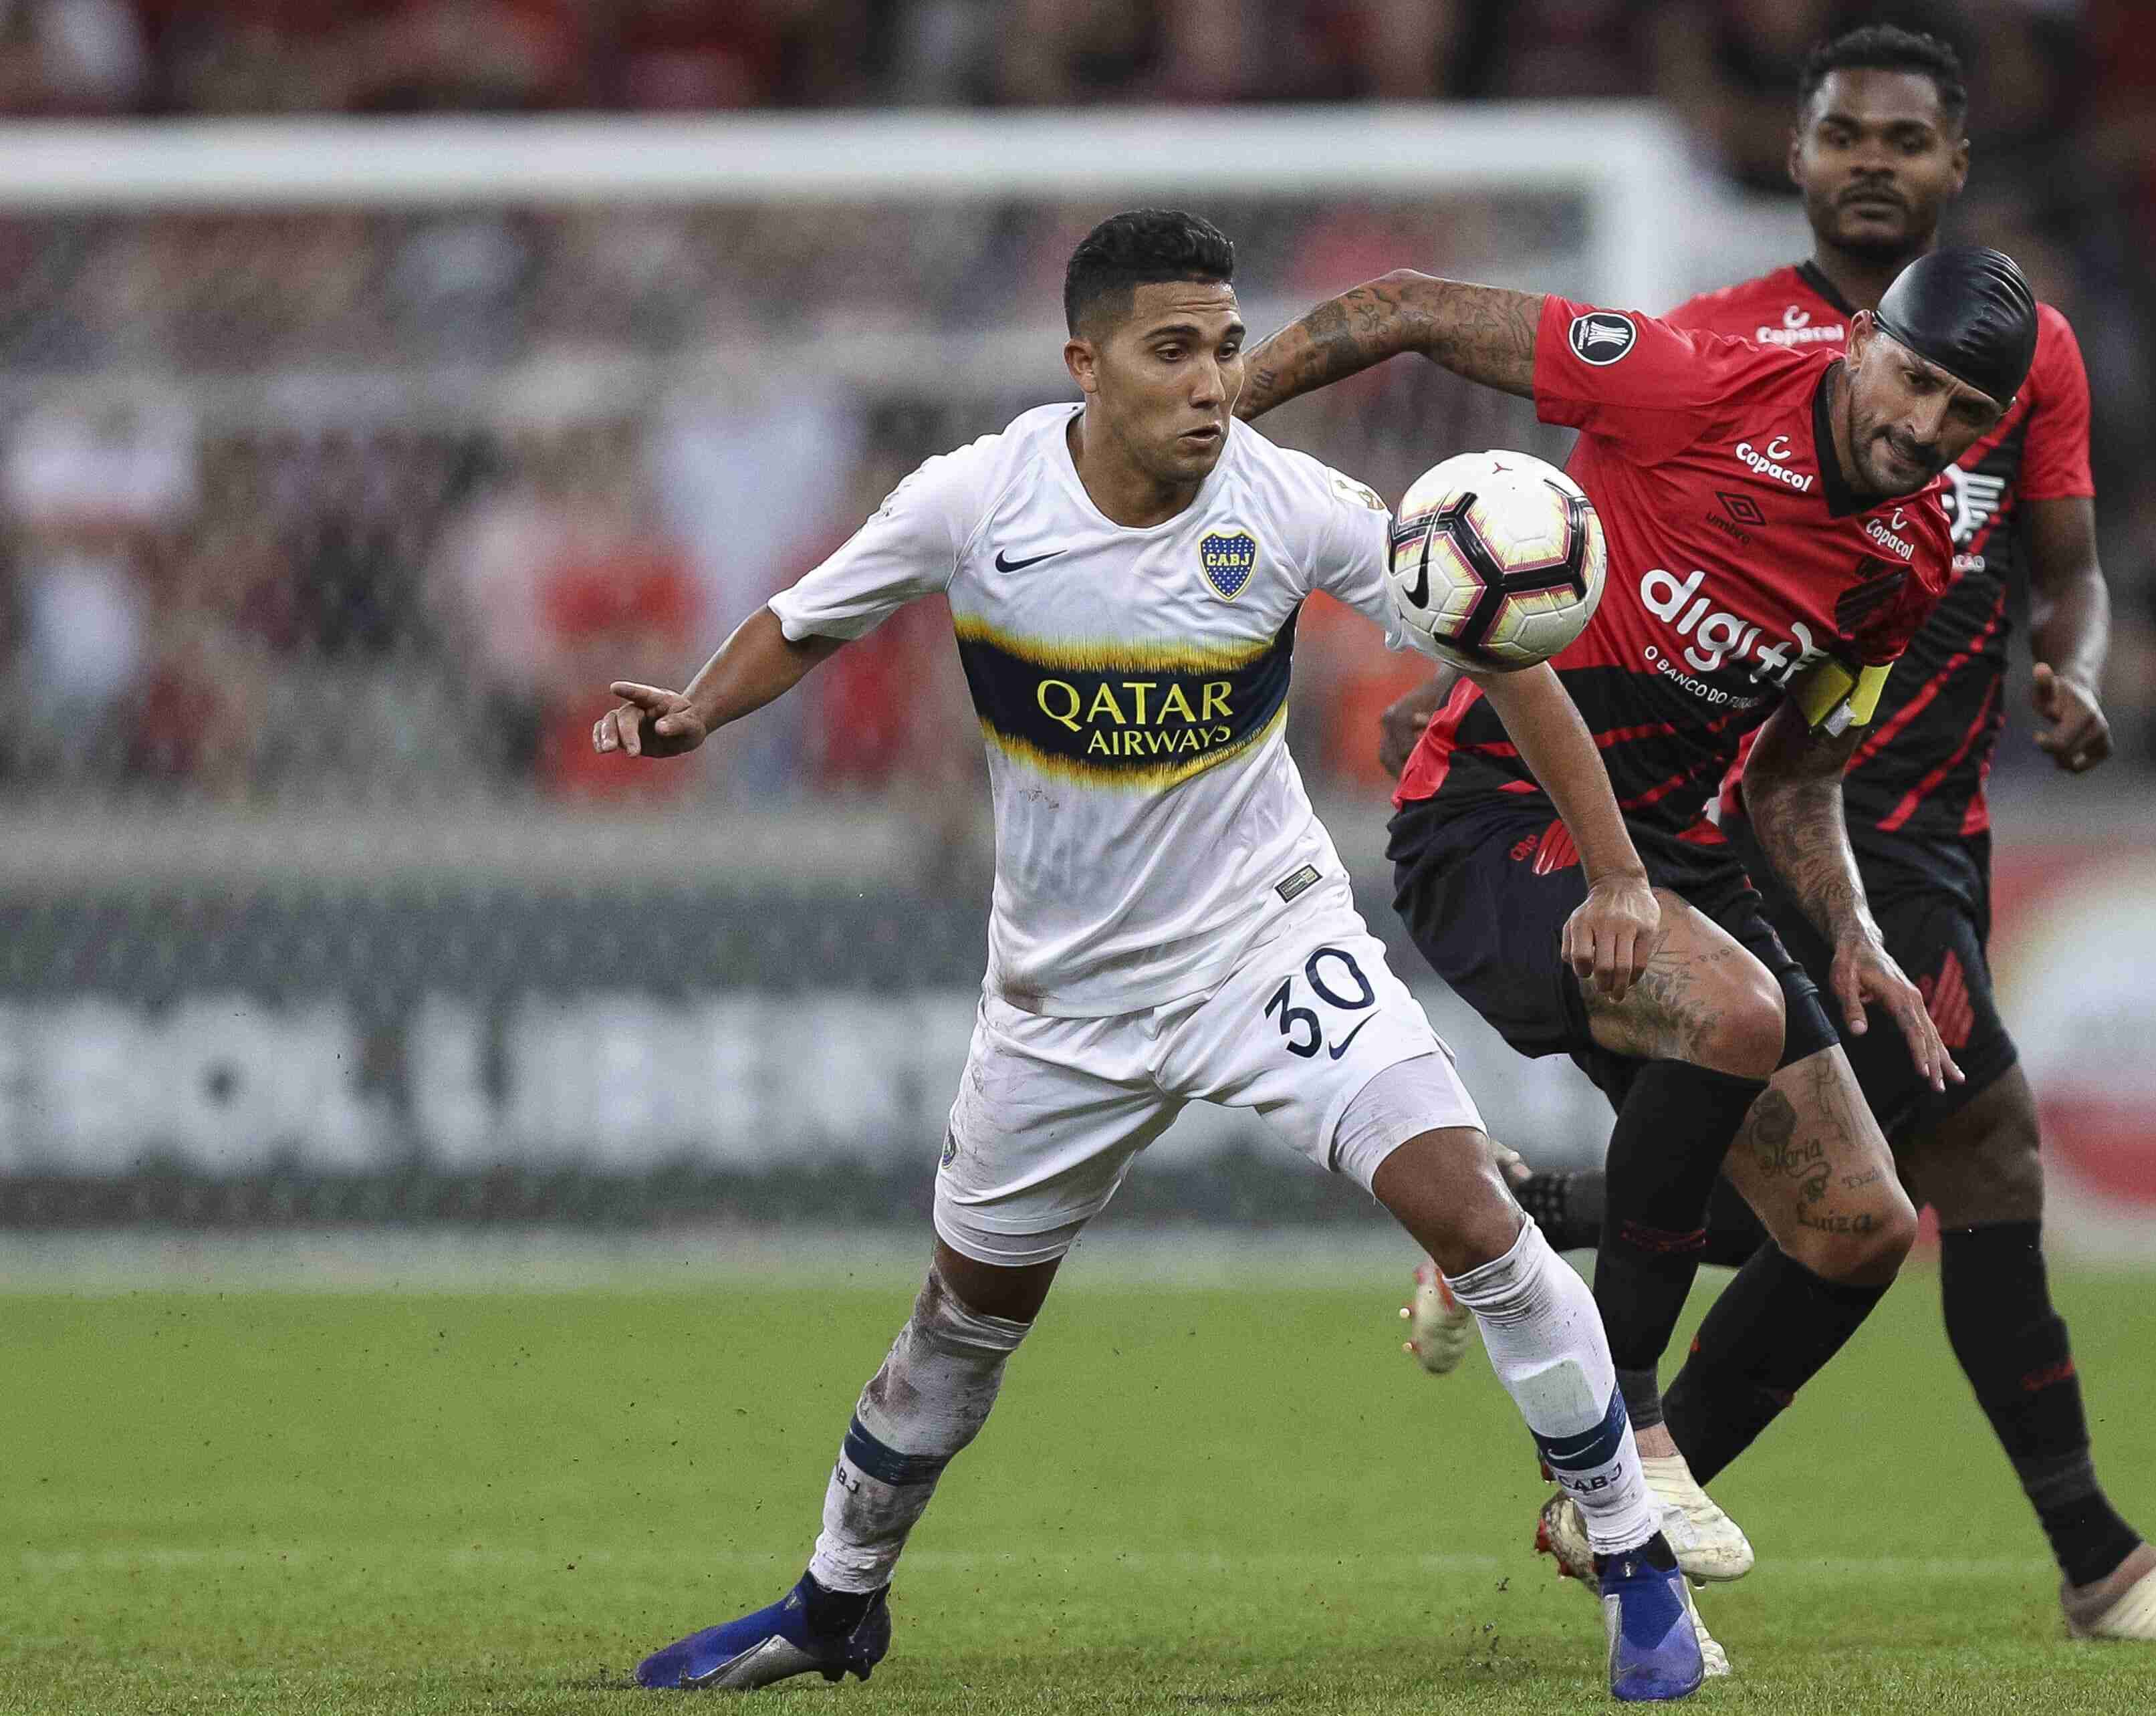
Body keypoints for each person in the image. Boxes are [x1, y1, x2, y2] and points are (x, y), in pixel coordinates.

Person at [597, 210, 1709, 1701]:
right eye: (1172, 350)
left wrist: (1620, 871)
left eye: (1229, 347)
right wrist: (695, 709)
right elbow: (806, 620)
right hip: (1061, 1002)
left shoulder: (1294, 504)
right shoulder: (973, 500)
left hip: (1267, 949)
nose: (1211, 380)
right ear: (1086, 362)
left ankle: (1641, 1579)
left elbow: (1500, 652)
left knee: (1473, 1219)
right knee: (960, 1325)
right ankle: (836, 1603)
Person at [1384, 25, 2156, 1648]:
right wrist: (1487, 685)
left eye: (1907, 141)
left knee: (1818, 1200)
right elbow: (1571, 569)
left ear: (1954, 168)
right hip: (1792, 833)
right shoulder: (1711, 346)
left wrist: (2071, 670)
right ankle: (2077, 1556)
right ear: (1795, 157)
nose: (1873, 163)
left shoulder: (2024, 348)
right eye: (1843, 135)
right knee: (1965, 1148)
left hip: (1907, 823)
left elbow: (2065, 563)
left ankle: (1538, 1253)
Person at [1236, 229, 2045, 1646]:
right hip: (1497, 822)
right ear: (1862, 339)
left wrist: (1848, 925)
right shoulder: (1686, 384)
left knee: (1856, 1230)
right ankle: (1628, 1449)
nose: (1923, 428)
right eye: (1911, 379)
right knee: (1731, 1021)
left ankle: (1565, 1402)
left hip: (1673, 863)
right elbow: (1405, 306)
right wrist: (1198, 428)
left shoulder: (1912, 559)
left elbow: (1797, 774)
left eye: (1965, 414)